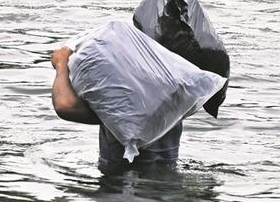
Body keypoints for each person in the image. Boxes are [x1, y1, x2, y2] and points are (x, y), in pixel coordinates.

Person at [50, 45, 183, 174]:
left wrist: (61, 66)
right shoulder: (175, 96)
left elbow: (64, 106)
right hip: (168, 184)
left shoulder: (116, 108)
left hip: (122, 188)